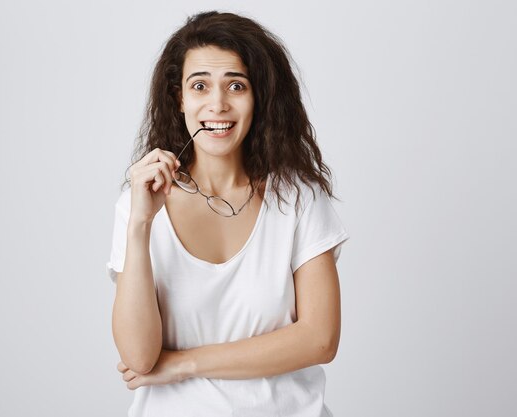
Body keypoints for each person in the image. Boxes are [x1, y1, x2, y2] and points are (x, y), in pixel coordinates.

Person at [107, 11, 350, 417]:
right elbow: (139, 357)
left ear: (259, 97)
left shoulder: (298, 198)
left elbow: (320, 340)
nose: (217, 104)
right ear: (179, 97)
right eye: (199, 85)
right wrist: (140, 223)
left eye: (236, 85)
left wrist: (183, 364)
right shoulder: (139, 204)